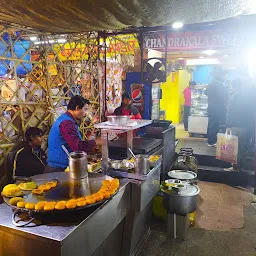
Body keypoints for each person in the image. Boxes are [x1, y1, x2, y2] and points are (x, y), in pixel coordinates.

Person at [46, 95, 96, 173]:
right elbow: (77, 147)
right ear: (77, 108)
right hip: (58, 169)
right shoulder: (66, 123)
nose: (86, 113)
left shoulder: (67, 120)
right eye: (85, 109)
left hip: (62, 166)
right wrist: (96, 142)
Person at [225, 79, 255, 171]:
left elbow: (230, 110)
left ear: (234, 86)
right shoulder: (252, 94)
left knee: (235, 146)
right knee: (243, 146)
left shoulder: (235, 95)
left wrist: (228, 124)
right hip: (248, 125)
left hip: (236, 124)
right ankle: (241, 165)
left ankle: (235, 167)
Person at [207, 69, 228, 146]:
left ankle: (210, 140)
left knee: (211, 124)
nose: (226, 77)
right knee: (214, 125)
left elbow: (206, 93)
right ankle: (212, 141)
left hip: (211, 107)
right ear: (221, 75)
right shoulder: (218, 84)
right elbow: (221, 97)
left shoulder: (211, 83)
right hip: (217, 108)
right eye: (225, 75)